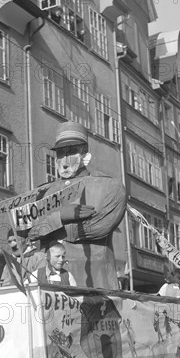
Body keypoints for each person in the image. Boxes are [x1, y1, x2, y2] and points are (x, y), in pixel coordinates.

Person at [27, 121, 127, 290]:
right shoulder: (42, 192)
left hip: (94, 280)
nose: (64, 161)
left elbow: (98, 228)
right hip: (51, 283)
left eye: (71, 152)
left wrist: (50, 226)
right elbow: (30, 231)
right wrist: (61, 216)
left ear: (84, 155)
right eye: (60, 154)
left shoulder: (110, 187)